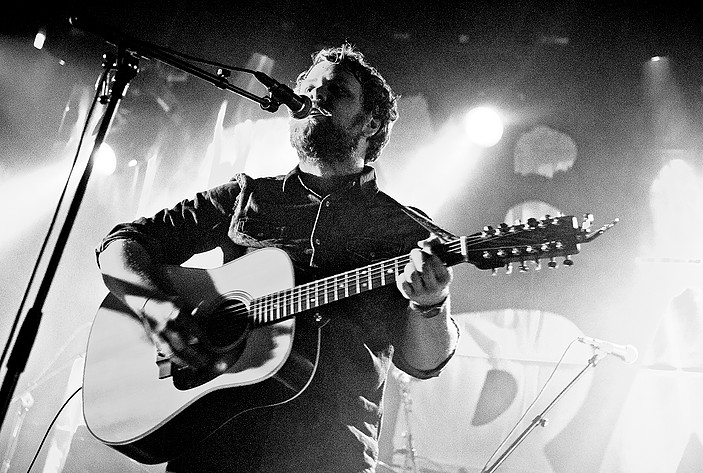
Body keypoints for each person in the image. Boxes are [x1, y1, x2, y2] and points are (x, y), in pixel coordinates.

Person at [96, 43, 460, 473]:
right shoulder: (244, 197)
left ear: (371, 122)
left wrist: (430, 304)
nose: (318, 96)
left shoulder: (408, 232)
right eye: (310, 86)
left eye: (338, 91)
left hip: (329, 452)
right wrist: (155, 306)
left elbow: (424, 363)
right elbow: (122, 244)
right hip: (213, 445)